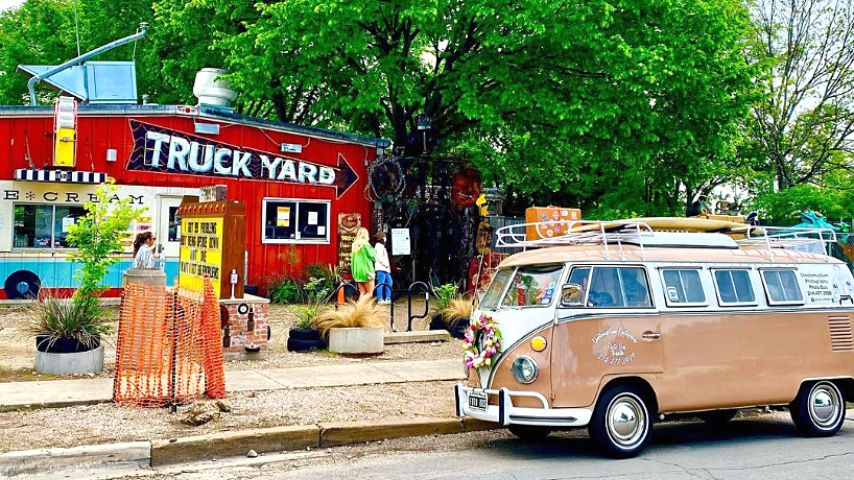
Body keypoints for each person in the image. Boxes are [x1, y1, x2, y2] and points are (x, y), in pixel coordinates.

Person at [350, 228, 376, 298]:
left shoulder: (354, 245)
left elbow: (352, 260)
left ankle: (362, 308)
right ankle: (359, 308)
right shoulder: (366, 245)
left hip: (357, 272)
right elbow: (374, 256)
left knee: (363, 292)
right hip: (367, 271)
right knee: (370, 293)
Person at [373, 231, 392, 304]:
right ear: (382, 238)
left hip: (385, 269)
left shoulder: (381, 246)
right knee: (381, 283)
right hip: (381, 268)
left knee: (389, 282)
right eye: (384, 237)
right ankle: (380, 299)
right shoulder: (379, 246)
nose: (385, 238)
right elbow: (380, 258)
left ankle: (387, 298)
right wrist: (385, 265)